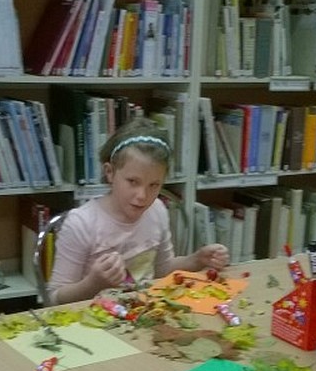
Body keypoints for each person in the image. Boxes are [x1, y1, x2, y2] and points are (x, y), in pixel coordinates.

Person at [48, 118, 229, 305]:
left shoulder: (157, 210)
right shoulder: (81, 223)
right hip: (93, 318)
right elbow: (54, 299)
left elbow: (162, 270)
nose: (142, 196)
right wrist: (93, 284)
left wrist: (196, 260)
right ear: (110, 172)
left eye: (154, 185)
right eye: (133, 182)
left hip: (143, 312)